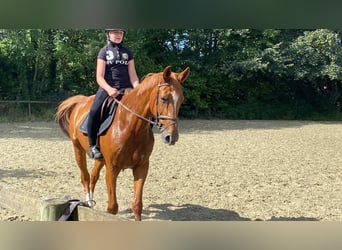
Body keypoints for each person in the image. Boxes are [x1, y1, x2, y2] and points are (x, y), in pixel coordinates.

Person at [87, 29, 140, 159]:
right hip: (108, 88)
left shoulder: (128, 53)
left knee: (144, 109)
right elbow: (99, 77)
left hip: (127, 88)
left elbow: (133, 76)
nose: (118, 35)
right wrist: (109, 89)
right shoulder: (103, 52)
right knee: (94, 112)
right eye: (115, 33)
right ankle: (93, 146)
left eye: (120, 33)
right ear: (108, 34)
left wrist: (138, 90)